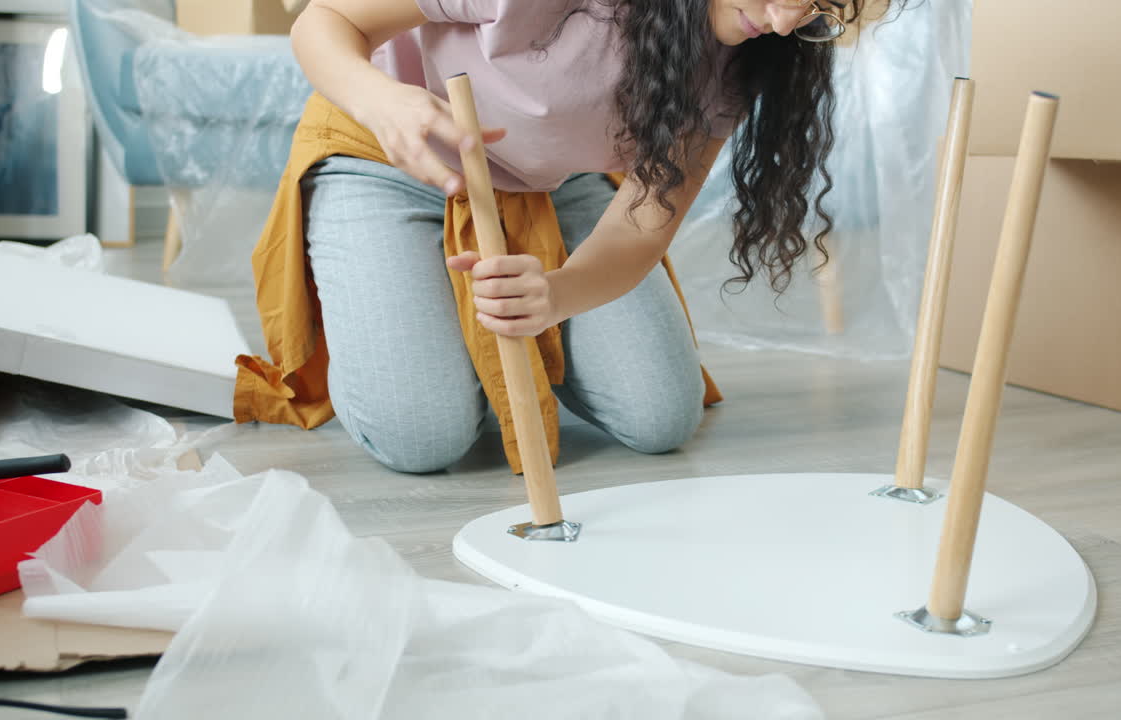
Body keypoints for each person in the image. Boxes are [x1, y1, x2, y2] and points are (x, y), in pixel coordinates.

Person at [234, 0, 890, 474]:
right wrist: (381, 101)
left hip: (546, 184)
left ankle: (445, 329)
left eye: (815, 5)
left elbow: (639, 231)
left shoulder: (740, 55)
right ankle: (413, 315)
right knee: (424, 437)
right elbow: (325, 21)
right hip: (390, 156)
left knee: (662, 417)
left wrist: (554, 295)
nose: (783, 20)